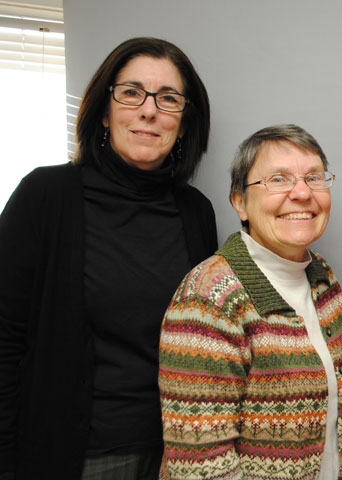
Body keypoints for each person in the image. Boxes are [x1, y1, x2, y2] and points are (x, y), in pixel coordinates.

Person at [0, 37, 217, 479]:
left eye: (169, 98)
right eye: (132, 92)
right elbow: (3, 341)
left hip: (182, 454)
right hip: (79, 455)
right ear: (103, 109)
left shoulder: (196, 211)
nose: (149, 110)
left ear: (184, 120)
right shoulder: (46, 195)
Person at [158, 124, 342, 480]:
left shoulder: (323, 279)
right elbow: (200, 467)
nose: (301, 192)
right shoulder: (207, 299)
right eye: (278, 179)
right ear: (240, 202)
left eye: (314, 177)